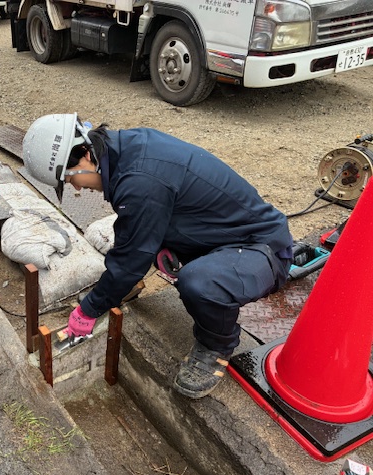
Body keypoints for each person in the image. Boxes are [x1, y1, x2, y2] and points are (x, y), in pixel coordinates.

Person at [22, 113, 293, 399]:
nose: (77, 187)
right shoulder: (124, 150)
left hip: (260, 248)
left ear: (85, 153)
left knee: (199, 284)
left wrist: (89, 309)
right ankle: (124, 289)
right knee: (137, 238)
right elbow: (137, 229)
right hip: (222, 235)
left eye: (70, 178)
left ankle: (215, 347)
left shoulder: (140, 180)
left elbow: (130, 260)